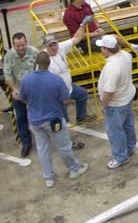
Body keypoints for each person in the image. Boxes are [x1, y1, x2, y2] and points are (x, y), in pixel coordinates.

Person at [19, 51, 88, 187]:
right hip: (53, 120)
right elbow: (65, 100)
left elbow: (23, 98)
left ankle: (48, 178)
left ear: (36, 63)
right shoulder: (56, 80)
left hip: (35, 121)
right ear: (49, 63)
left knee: (43, 149)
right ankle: (74, 169)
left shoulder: (26, 80)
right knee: (64, 146)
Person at [96, 34, 137, 169]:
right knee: (128, 125)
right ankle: (130, 148)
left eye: (102, 47)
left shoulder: (112, 67)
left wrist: (104, 106)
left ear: (106, 50)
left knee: (115, 131)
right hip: (127, 96)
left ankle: (121, 157)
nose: (101, 49)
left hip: (116, 103)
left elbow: (109, 91)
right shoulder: (126, 55)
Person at [43, 30, 95, 128]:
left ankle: (81, 117)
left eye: (55, 44)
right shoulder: (43, 58)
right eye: (50, 45)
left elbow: (76, 39)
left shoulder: (61, 47)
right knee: (64, 121)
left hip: (69, 87)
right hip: (57, 94)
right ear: (46, 46)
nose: (54, 47)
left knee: (82, 94)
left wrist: (82, 26)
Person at [2, 32, 39, 157]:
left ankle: (43, 139)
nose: (21, 48)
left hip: (33, 91)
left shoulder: (34, 52)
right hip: (18, 92)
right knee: (21, 118)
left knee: (39, 115)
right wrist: (14, 89)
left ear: (26, 42)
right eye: (18, 46)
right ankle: (26, 143)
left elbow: (40, 69)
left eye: (23, 45)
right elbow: (7, 75)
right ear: (13, 45)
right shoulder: (9, 56)